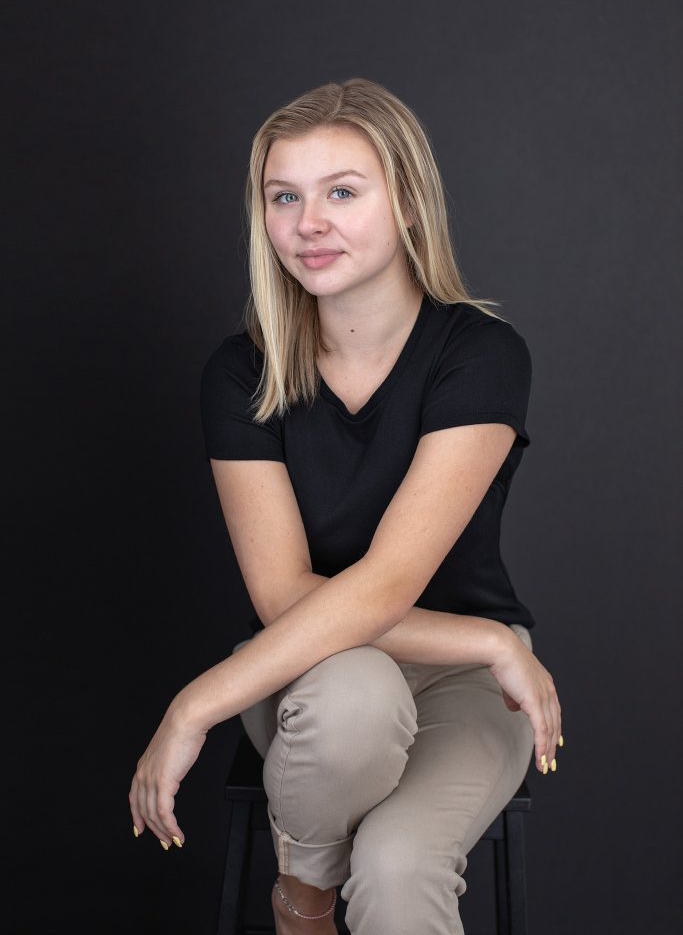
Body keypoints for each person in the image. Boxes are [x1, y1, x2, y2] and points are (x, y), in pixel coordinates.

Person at [128, 77, 563, 935]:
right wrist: (481, 634)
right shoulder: (239, 370)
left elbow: (390, 580)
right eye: (284, 196)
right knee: (356, 691)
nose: (308, 223)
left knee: (400, 870)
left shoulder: (480, 354)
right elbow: (285, 598)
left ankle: (300, 898)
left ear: (405, 204)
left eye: (341, 192)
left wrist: (192, 705)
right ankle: (310, 897)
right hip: (306, 673)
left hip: (468, 689)